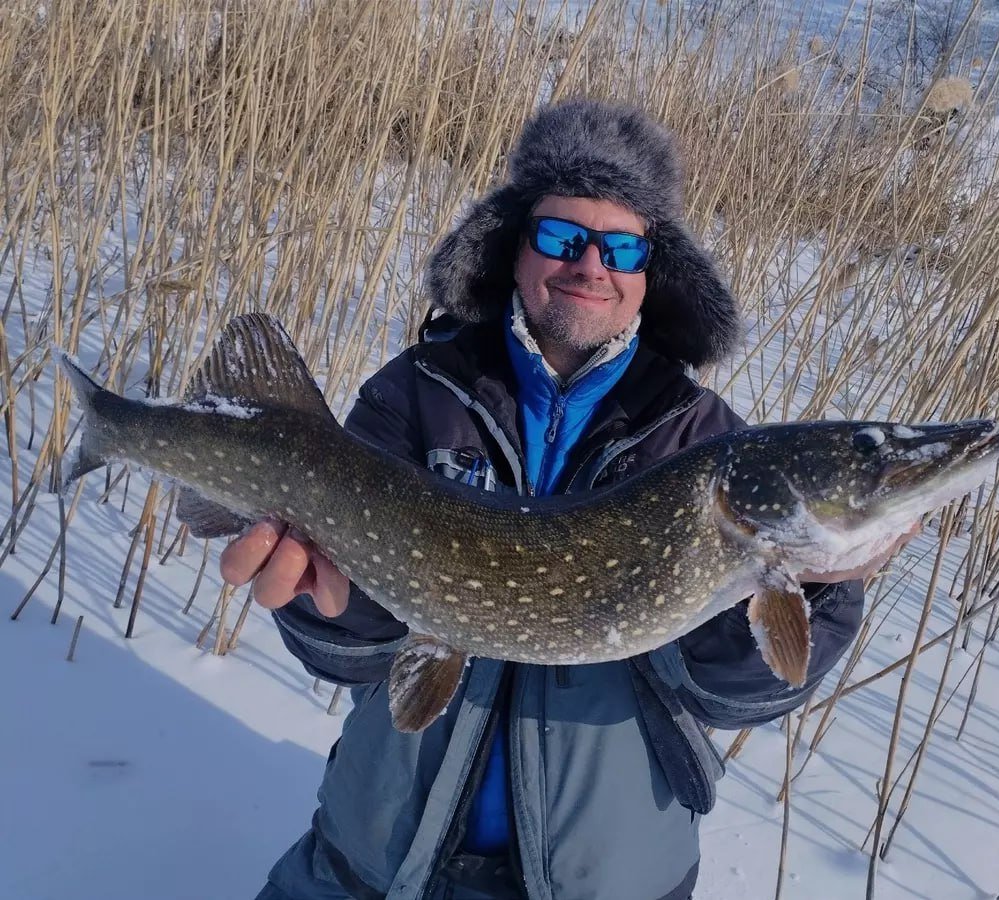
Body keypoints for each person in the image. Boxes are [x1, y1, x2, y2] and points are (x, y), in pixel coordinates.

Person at [224, 99, 890, 900]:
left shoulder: (705, 445)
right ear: (514, 247)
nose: (589, 264)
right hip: (373, 859)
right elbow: (359, 649)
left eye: (621, 246)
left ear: (651, 271)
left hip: (609, 880)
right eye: (561, 237)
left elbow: (731, 693)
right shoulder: (416, 394)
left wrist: (818, 587)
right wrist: (318, 605)